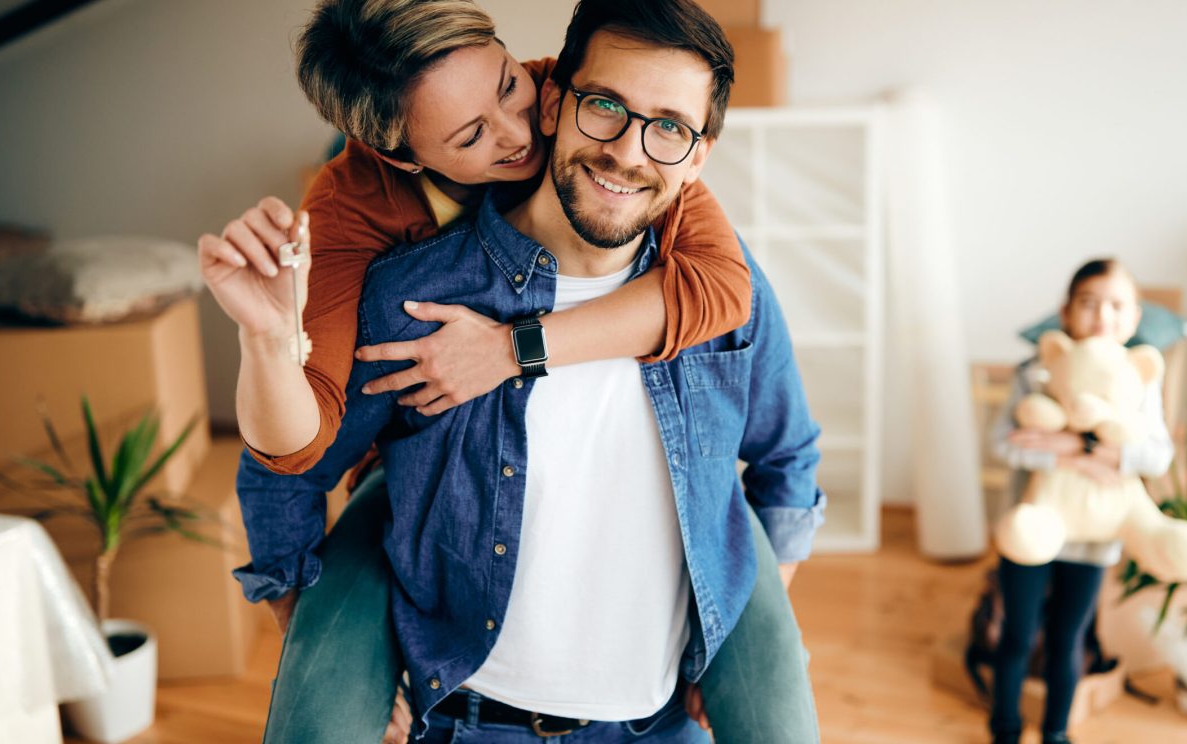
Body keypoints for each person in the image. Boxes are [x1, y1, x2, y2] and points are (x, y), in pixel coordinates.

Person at [226, 0, 825, 741]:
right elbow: (291, 457)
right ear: (562, 102)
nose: (630, 150)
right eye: (603, 107)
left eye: (668, 126)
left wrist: (733, 639)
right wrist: (309, 628)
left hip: (660, 720)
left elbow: (787, 456)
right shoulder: (393, 275)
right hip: (472, 719)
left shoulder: (716, 276)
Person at [987, 258, 1174, 744]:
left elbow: (1155, 454)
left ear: (1134, 317)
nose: (1102, 316)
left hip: (1094, 537)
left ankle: (1055, 733)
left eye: (1116, 305)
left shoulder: (1140, 379)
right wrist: (1089, 456)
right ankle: (1004, 728)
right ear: (1065, 313)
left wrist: (1075, 445)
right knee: (1018, 634)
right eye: (1089, 303)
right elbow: (1006, 442)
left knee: (1069, 638)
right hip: (1030, 526)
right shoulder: (1033, 372)